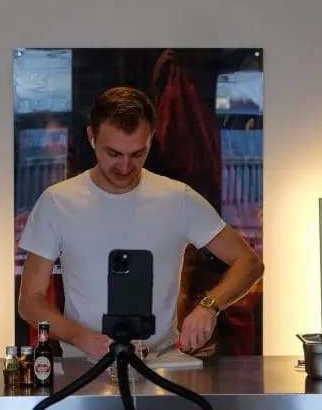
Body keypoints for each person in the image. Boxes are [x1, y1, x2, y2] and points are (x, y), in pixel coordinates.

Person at [17, 86, 264, 360]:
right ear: (91, 137)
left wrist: (209, 305)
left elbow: (249, 263)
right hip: (84, 367)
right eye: (113, 154)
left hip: (160, 365)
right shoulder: (57, 202)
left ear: (151, 140)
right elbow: (30, 301)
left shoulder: (178, 198)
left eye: (137, 154)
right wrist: (80, 337)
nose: (125, 167)